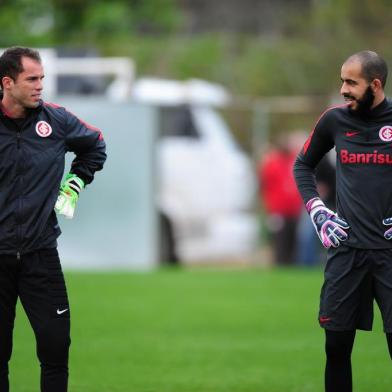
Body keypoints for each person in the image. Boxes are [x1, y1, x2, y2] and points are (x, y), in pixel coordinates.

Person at [0, 47, 106, 391]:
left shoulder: (56, 120)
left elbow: (95, 144)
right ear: (7, 82)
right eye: (32, 79)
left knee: (56, 348)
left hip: (40, 255)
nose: (40, 86)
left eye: (42, 78)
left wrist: (75, 182)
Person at [293, 50, 392, 391]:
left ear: (375, 85)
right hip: (345, 252)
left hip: (390, 255)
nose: (343, 89)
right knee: (336, 348)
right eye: (342, 81)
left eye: (352, 82)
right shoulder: (334, 121)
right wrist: (317, 210)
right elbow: (302, 165)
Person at [258, 134, 303, 265]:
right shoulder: (271, 163)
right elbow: (263, 185)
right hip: (277, 209)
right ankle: (280, 265)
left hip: (294, 208)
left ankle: (292, 265)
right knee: (280, 240)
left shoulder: (296, 160)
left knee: (293, 239)